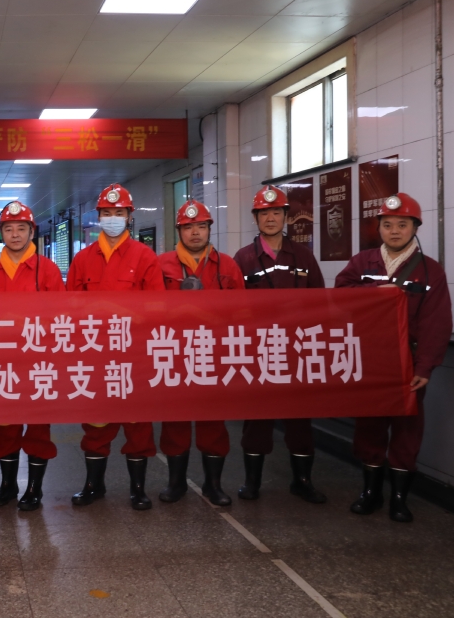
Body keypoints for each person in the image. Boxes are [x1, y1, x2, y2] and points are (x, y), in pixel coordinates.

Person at [336, 193, 452, 522]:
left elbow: (437, 323)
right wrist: (374, 293)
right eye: (387, 225)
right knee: (369, 426)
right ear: (379, 229)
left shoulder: (430, 271)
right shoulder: (362, 262)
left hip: (408, 364)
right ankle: (370, 492)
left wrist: (425, 367)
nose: (395, 231)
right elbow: (339, 296)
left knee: (406, 428)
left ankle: (399, 498)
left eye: (402, 224)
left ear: (415, 227)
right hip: (369, 358)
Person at [66, 184, 164, 511]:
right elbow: (70, 309)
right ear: (98, 217)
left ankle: (138, 489)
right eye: (106, 213)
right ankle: (93, 485)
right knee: (96, 423)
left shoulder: (144, 257)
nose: (112, 218)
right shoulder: (83, 259)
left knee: (138, 424)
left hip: (134, 357)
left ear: (129, 216)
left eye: (118, 213)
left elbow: (157, 307)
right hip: (95, 356)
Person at [233, 185, 327, 503]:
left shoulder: (303, 256)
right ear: (255, 218)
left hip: (297, 351)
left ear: (286, 216)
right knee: (256, 420)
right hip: (259, 352)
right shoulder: (243, 259)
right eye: (264, 213)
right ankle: (252, 482)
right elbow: (232, 309)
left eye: (276, 212)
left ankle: (302, 481)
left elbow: (320, 302)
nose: (270, 218)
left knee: (300, 419)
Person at [157, 200, 244, 507]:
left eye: (201, 226)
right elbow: (150, 308)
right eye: (188, 227)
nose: (195, 232)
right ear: (179, 231)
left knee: (213, 421)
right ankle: (176, 483)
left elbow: (242, 311)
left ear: (209, 229)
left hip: (214, 355)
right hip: (174, 353)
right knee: (175, 420)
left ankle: (213, 484)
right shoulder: (162, 265)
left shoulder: (227, 266)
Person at [0, 201, 63, 511]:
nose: (14, 234)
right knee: (6, 426)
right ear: (1, 233)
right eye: (8, 229)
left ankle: (34, 488)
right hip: (2, 363)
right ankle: (7, 486)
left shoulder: (48, 270)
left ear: (32, 232)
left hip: (40, 363)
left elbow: (60, 319)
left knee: (39, 426)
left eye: (21, 228)